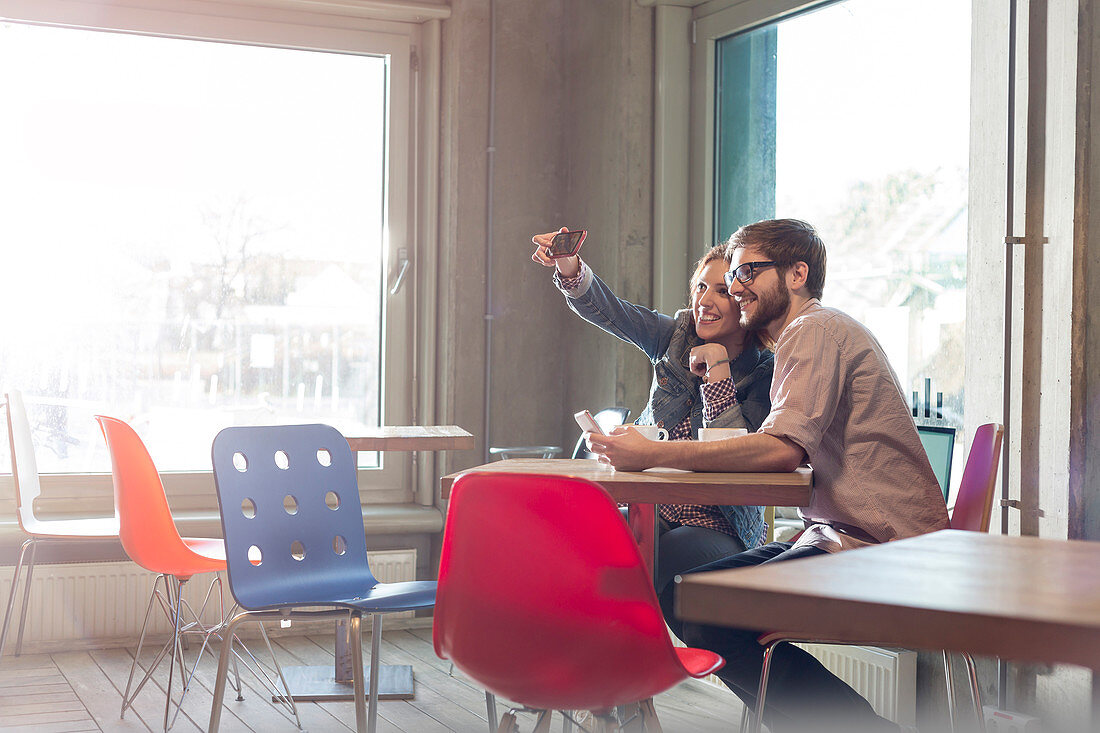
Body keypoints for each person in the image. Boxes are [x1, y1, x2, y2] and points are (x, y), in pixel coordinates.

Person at [586, 219, 947, 733]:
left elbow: (781, 450)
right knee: (692, 595)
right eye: (732, 274)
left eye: (748, 271)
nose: (734, 287)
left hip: (883, 549)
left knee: (700, 606)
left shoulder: (813, 330)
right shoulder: (804, 338)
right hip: (844, 537)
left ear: (797, 273)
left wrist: (652, 454)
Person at [530, 227, 774, 628]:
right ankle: (587, 660)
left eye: (721, 291)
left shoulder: (764, 372)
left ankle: (600, 663)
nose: (704, 301)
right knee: (578, 537)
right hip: (653, 511)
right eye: (699, 287)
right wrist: (569, 266)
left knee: (652, 555)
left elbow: (730, 453)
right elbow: (613, 312)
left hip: (719, 525)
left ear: (746, 301)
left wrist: (717, 370)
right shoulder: (674, 337)